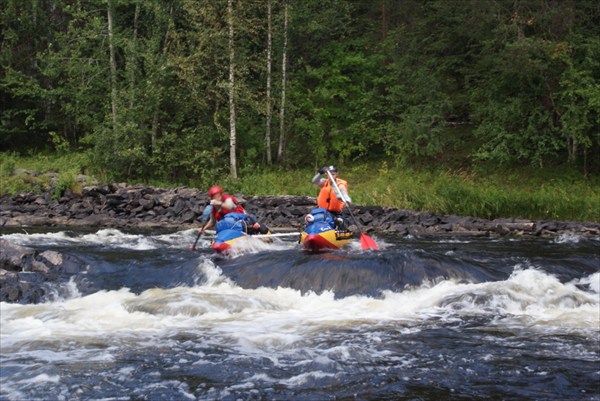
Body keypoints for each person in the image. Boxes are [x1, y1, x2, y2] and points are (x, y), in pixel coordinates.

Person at [197, 185, 268, 235]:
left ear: (221, 195)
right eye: (214, 197)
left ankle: (259, 230)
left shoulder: (228, 199)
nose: (216, 199)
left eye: (218, 196)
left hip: (243, 222)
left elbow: (229, 206)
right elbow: (212, 222)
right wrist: (204, 228)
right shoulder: (214, 208)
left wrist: (219, 203)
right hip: (230, 228)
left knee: (258, 229)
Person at [311, 165, 352, 230]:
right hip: (322, 211)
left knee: (334, 221)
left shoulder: (340, 185)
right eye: (329, 175)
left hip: (334, 212)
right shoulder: (324, 182)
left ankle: (336, 227)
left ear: (337, 174)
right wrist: (320, 172)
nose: (331, 176)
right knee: (312, 219)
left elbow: (344, 195)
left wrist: (347, 201)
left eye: (333, 174)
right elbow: (314, 181)